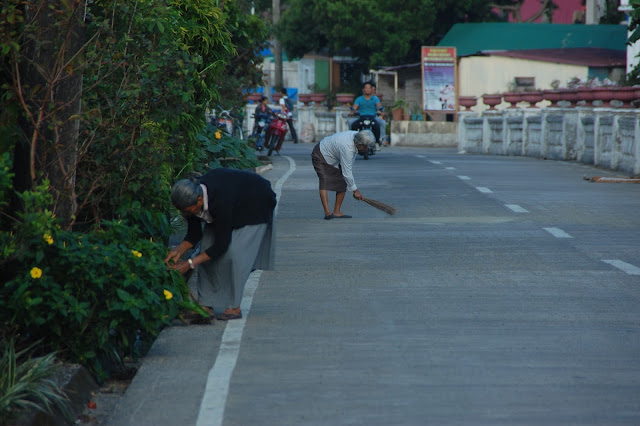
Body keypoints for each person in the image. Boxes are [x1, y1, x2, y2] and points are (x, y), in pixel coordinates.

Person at [165, 168, 277, 320]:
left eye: (187, 210)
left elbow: (221, 245)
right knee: (205, 248)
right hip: (230, 206)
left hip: (255, 204)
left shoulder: (221, 199)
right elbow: (194, 234)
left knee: (235, 255)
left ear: (199, 200)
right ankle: (205, 304)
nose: (185, 214)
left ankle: (234, 307)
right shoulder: (189, 201)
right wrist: (178, 251)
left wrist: (189, 263)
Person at [311, 130, 374, 220]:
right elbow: (347, 172)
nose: (366, 149)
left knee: (343, 181)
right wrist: (355, 191)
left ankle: (337, 211)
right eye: (365, 147)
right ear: (359, 144)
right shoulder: (347, 147)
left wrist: (352, 187)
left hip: (334, 157)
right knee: (324, 180)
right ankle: (327, 212)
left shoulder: (359, 135)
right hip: (320, 154)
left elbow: (347, 168)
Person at [370, 82, 387, 148]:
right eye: (372, 89)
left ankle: (381, 139)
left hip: (373, 117)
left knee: (382, 122)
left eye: (374, 90)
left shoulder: (376, 99)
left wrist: (381, 112)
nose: (373, 92)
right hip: (363, 117)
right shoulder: (361, 98)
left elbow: (379, 108)